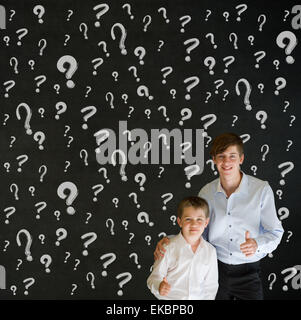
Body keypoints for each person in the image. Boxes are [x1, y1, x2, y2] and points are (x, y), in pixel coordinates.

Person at [154, 133, 284, 300]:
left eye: (232, 156)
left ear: (241, 159)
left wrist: (256, 244)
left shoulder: (261, 190)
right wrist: (170, 241)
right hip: (214, 270)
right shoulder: (206, 192)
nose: (227, 162)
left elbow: (275, 232)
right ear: (214, 160)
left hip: (249, 272)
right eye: (221, 156)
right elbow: (197, 230)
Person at [147, 196, 218, 300]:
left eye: (199, 219)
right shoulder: (168, 248)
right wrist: (159, 286)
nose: (194, 224)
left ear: (206, 223)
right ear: (180, 222)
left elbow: (211, 286)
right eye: (188, 219)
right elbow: (153, 278)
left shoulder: (210, 251)